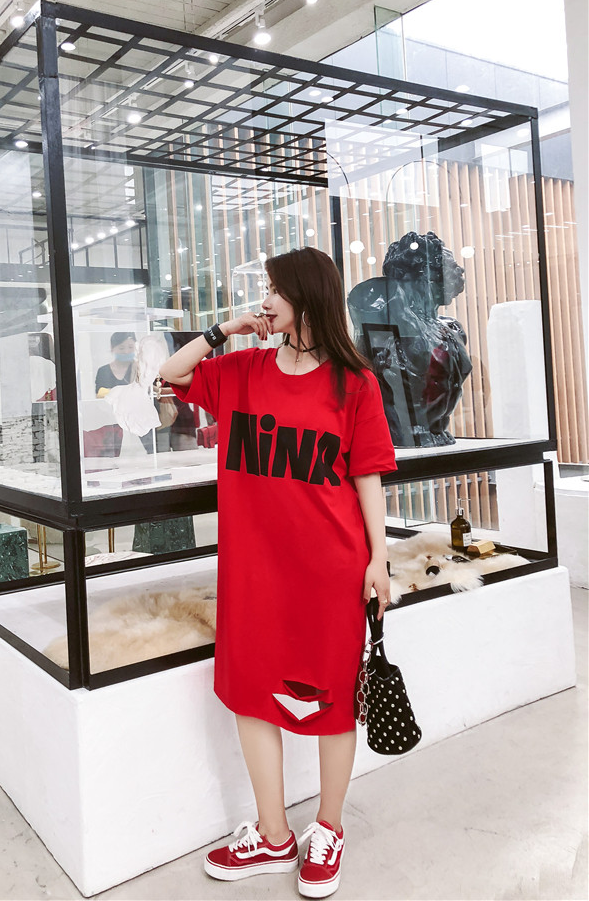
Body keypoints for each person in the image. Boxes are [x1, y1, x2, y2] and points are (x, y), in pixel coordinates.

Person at [159, 247, 396, 899]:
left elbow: (367, 477)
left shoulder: (355, 384)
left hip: (329, 570)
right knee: (254, 694)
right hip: (253, 570)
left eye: (274, 289)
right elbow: (171, 374)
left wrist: (377, 558)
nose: (264, 300)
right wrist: (225, 330)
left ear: (307, 296)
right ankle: (272, 835)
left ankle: (329, 829)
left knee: (331, 702)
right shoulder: (243, 370)